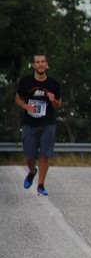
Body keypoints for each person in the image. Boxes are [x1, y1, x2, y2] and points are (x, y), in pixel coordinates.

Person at [15, 54, 62, 196]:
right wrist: (25, 106)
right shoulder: (25, 82)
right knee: (29, 156)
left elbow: (59, 105)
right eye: (37, 62)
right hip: (30, 124)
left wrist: (53, 100)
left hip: (48, 123)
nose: (40, 64)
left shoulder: (54, 84)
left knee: (44, 156)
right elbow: (18, 98)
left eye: (43, 62)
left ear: (47, 64)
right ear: (34, 65)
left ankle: (41, 185)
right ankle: (32, 171)